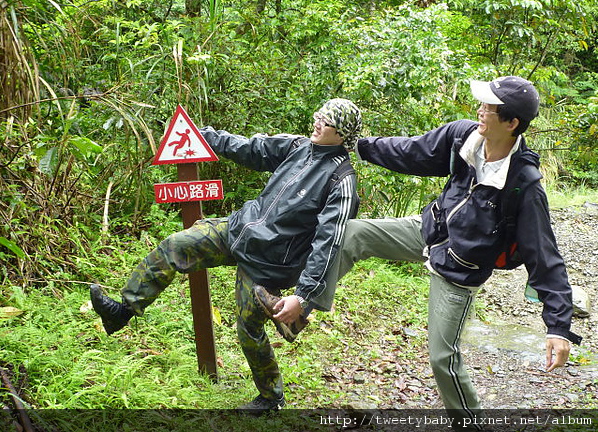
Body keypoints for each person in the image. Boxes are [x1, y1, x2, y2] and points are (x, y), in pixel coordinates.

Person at [327, 76, 582, 430]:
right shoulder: (464, 137)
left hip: (459, 270)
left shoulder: (524, 185)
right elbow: (411, 152)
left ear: (511, 124)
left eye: (490, 108)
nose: (480, 110)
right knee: (353, 233)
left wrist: (558, 326)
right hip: (429, 232)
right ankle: (303, 305)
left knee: (443, 359)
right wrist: (358, 146)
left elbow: (545, 257)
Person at [90, 98, 362, 412]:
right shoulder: (298, 147)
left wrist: (303, 297)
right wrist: (201, 134)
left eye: (325, 122)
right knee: (177, 245)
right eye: (318, 116)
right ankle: (122, 311)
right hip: (238, 230)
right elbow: (251, 148)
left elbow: (329, 243)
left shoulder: (341, 181)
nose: (317, 123)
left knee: (249, 329)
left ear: (341, 135)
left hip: (269, 262)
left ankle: (271, 398)